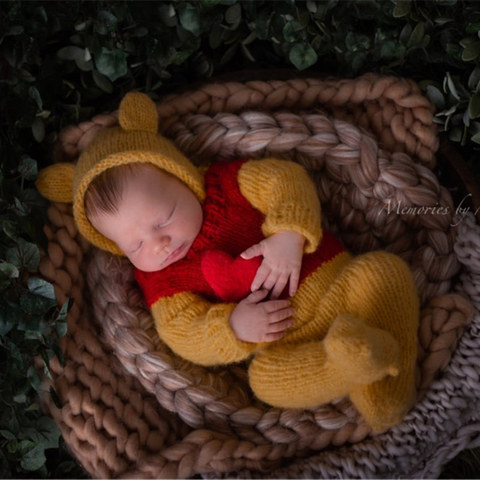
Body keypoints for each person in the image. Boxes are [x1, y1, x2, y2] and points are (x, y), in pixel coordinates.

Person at [36, 92, 420, 431]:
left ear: (185, 178)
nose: (158, 243)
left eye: (163, 218)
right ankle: (347, 366)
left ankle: (383, 383)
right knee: (267, 382)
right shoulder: (161, 282)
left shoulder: (227, 185)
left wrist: (288, 234)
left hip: (340, 286)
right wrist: (232, 326)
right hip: (287, 344)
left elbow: (284, 179)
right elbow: (181, 331)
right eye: (135, 244)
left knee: (382, 271)